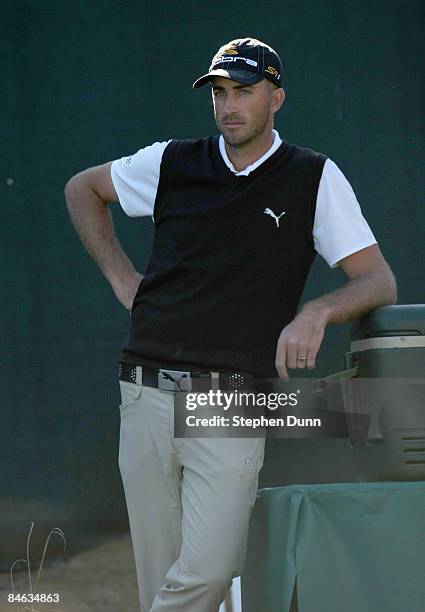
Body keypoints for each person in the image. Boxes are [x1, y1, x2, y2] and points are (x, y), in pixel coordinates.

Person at [65, 37, 396, 612]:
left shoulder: (313, 177)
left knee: (211, 572)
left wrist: (316, 312)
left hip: (228, 399)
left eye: (244, 91)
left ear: (277, 98)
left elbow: (377, 281)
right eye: (220, 92)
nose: (228, 106)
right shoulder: (173, 160)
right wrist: (123, 279)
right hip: (143, 390)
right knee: (161, 579)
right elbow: (83, 190)